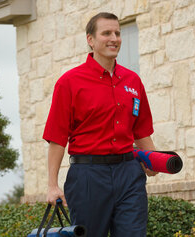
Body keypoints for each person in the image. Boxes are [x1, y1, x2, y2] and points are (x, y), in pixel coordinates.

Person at [43, 12, 158, 237]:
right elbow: (57, 138)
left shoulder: (133, 81)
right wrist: (52, 185)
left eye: (117, 33)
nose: (114, 38)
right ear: (91, 40)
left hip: (129, 174)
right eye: (106, 33)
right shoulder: (69, 82)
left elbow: (141, 130)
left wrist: (153, 159)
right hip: (88, 176)